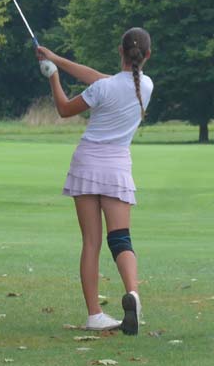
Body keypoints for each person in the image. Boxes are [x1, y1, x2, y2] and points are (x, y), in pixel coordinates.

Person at [36, 27, 153, 335]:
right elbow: (102, 78)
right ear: (147, 55)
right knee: (121, 239)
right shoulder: (147, 86)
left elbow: (63, 109)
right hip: (116, 169)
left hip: (87, 164)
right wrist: (58, 59)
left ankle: (94, 315)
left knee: (91, 242)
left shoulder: (104, 88)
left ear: (120, 51)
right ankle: (134, 295)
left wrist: (53, 75)